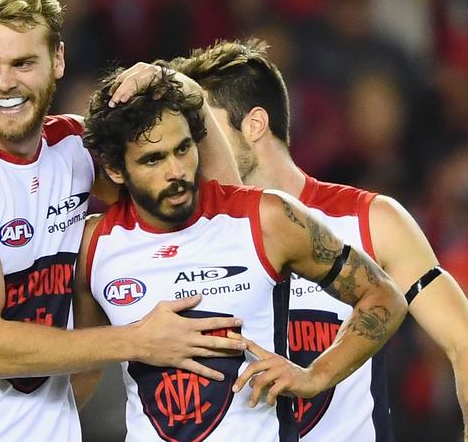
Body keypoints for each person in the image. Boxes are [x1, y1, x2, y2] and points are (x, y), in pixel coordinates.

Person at [0, 0, 245, 442]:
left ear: (58, 60)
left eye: (22, 63)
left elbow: (214, 214)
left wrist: (182, 89)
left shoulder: (73, 149)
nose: (3, 84)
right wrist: (136, 341)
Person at [75, 68, 407, 441]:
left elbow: (385, 297)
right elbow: (85, 365)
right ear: (115, 170)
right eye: (153, 160)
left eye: (183, 149)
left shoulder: (265, 218)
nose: (176, 171)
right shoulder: (95, 243)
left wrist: (316, 375)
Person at [169, 38, 468, 442]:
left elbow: (462, 338)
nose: (193, 149)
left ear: (254, 124)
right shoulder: (190, 235)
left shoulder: (370, 221)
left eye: (204, 129)